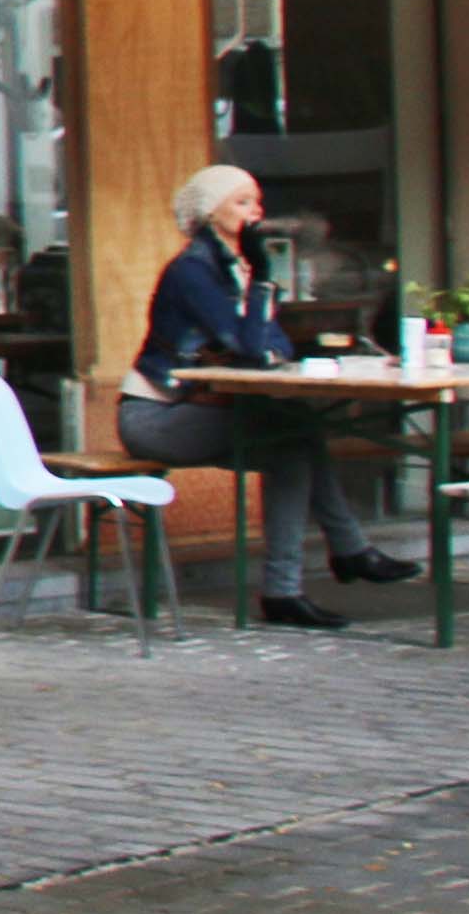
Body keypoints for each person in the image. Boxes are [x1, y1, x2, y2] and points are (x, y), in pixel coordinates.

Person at [115, 164, 414, 628]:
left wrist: (259, 298)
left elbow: (278, 347)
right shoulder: (192, 271)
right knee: (294, 441)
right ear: (211, 213)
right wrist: (263, 285)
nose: (256, 212)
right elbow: (252, 347)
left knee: (298, 433)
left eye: (256, 202)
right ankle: (323, 567)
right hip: (156, 417)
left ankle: (310, 575)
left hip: (202, 408)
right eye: (242, 203)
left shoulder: (235, 269)